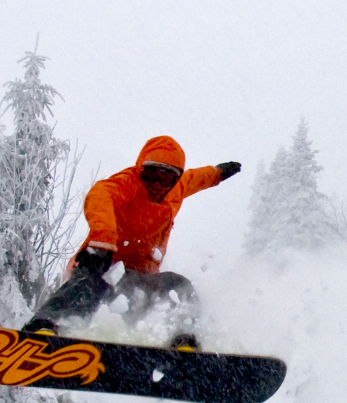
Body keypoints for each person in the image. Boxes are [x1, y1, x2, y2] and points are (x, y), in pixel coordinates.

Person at [23, 135, 241, 350]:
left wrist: (219, 172)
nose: (156, 184)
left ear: (175, 180)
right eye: (150, 175)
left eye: (165, 179)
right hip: (102, 264)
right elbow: (100, 195)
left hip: (139, 280)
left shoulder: (177, 190)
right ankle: (47, 327)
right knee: (90, 283)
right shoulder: (128, 184)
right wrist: (102, 240)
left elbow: (198, 177)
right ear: (140, 170)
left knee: (177, 285)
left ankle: (181, 340)